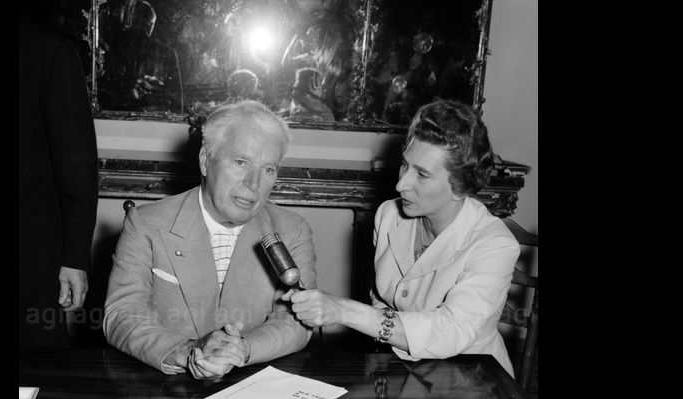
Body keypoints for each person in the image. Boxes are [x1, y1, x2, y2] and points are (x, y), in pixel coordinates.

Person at [282, 99, 521, 376]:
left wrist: (342, 310)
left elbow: (452, 331)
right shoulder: (389, 215)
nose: (401, 184)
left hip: (470, 381)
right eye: (405, 165)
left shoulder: (495, 245)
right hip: (402, 372)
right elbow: (382, 297)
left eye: (422, 175)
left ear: (460, 186)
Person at [103, 100, 317, 379]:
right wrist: (188, 351)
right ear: (206, 160)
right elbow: (121, 315)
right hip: (165, 387)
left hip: (250, 385)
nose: (253, 185)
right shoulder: (146, 224)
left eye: (269, 170)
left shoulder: (293, 231)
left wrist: (240, 349)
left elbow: (296, 321)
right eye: (241, 162)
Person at [19, 10, 100, 347]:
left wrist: (74, 257)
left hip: (29, 254)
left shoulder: (48, 51)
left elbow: (76, 164)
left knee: (37, 375)